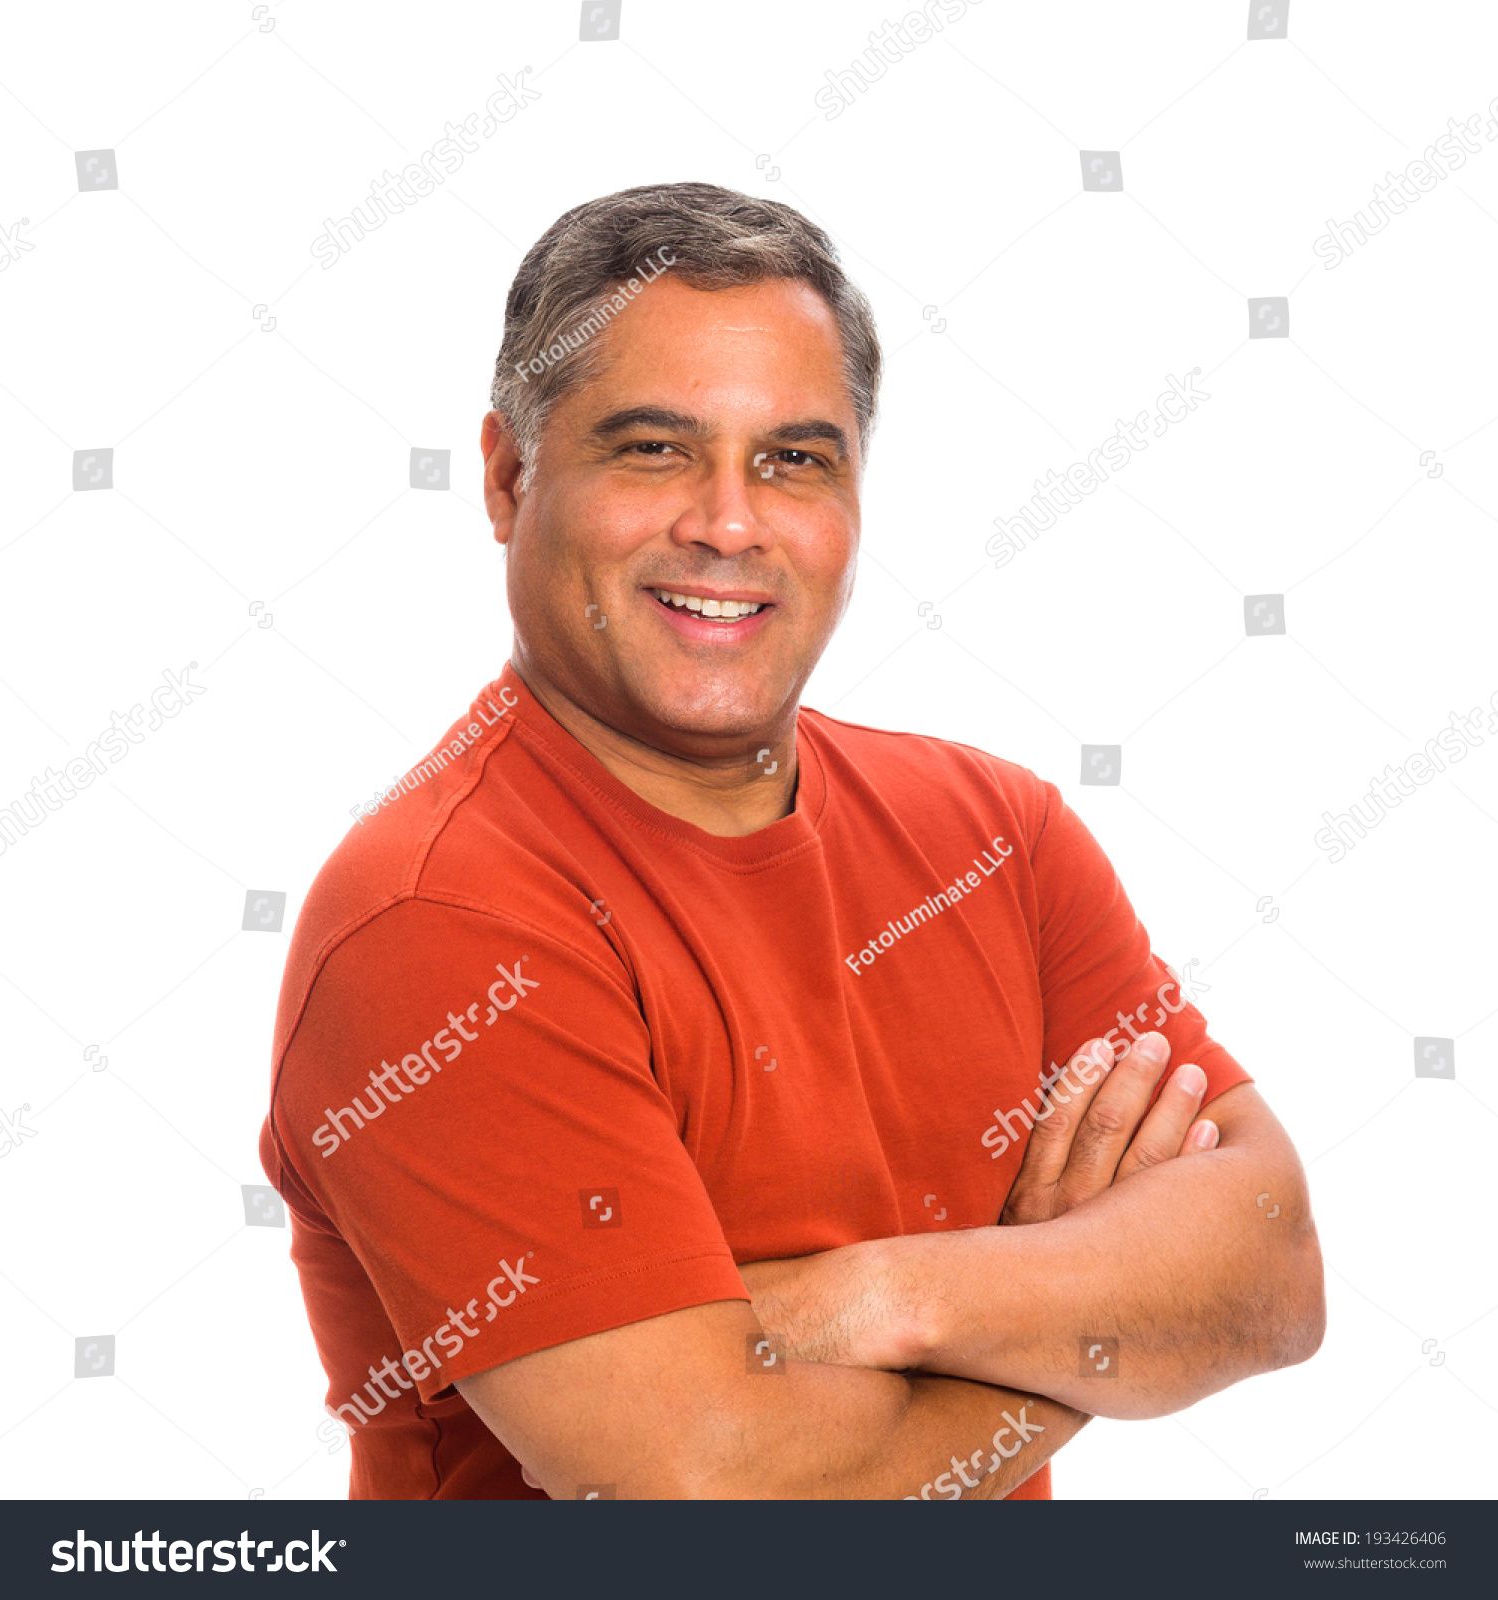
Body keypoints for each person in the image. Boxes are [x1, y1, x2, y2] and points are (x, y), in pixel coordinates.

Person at [259, 181, 1324, 1501]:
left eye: (793, 459)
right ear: (505, 474)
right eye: (653, 449)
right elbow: (715, 1495)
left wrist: (884, 1298)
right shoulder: (441, 921)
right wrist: (1088, 1314)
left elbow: (1272, 1273)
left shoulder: (999, 836)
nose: (730, 522)